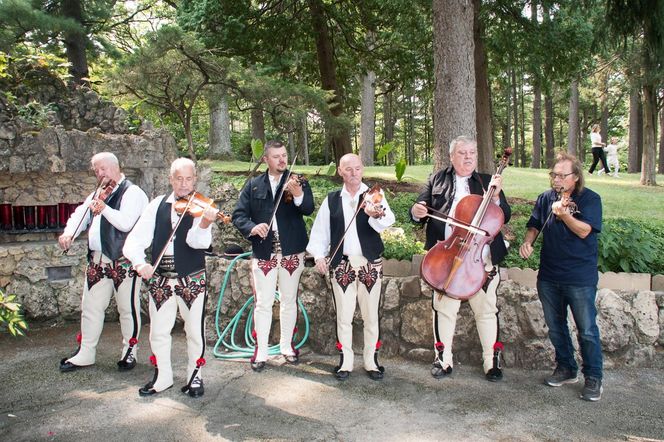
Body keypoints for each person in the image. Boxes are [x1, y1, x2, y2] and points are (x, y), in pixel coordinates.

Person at [410, 136, 511, 382]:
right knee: (444, 309)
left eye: (472, 153)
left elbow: (504, 215)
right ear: (451, 156)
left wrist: (495, 198)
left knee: (486, 310)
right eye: (463, 153)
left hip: (480, 259)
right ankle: (443, 360)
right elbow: (420, 209)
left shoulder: (487, 181)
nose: (468, 157)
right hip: (448, 256)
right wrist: (416, 211)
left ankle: (491, 362)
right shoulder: (437, 179)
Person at [123, 158, 217, 398]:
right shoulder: (157, 205)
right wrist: (140, 262)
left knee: (194, 330)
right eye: (179, 178)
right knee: (158, 331)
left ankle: (195, 376)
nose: (184, 184)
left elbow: (197, 242)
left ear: (194, 179)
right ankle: (162, 376)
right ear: (170, 179)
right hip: (161, 280)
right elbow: (135, 240)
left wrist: (205, 223)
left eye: (188, 179)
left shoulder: (201, 207)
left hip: (191, 278)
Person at [519, 152, 604, 402]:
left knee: (587, 330)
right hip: (549, 274)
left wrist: (565, 215)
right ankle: (566, 368)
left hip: (579, 276)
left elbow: (584, 231)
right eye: (553, 175)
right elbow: (534, 224)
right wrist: (528, 242)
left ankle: (594, 377)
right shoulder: (546, 198)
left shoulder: (590, 199)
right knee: (556, 328)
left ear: (575, 177)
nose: (556, 179)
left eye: (561, 175)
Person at [307, 153, 395, 381]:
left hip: (369, 263)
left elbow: (388, 221)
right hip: (342, 264)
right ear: (340, 171)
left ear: (363, 169)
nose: (353, 173)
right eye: (348, 169)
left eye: (357, 168)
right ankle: (345, 362)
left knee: (370, 315)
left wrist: (373, 215)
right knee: (344, 316)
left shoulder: (375, 195)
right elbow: (320, 232)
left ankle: (371, 361)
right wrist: (319, 255)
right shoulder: (332, 199)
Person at [58, 152, 148, 373]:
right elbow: (81, 214)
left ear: (115, 167)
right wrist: (69, 233)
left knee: (127, 309)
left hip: (123, 260)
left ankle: (130, 352)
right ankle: (86, 352)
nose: (99, 174)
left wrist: (104, 208)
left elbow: (126, 223)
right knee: (90, 308)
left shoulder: (133, 192)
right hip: (97, 260)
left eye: (102, 169)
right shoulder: (98, 193)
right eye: (96, 170)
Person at [232, 140, 315, 372]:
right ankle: (261, 350)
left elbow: (308, 208)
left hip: (292, 251)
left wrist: (298, 194)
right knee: (263, 303)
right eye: (276, 156)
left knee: (289, 301)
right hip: (264, 251)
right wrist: (252, 227)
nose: (282, 160)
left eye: (284, 155)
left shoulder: (297, 181)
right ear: (266, 159)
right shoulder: (254, 185)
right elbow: (238, 215)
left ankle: (287, 346)